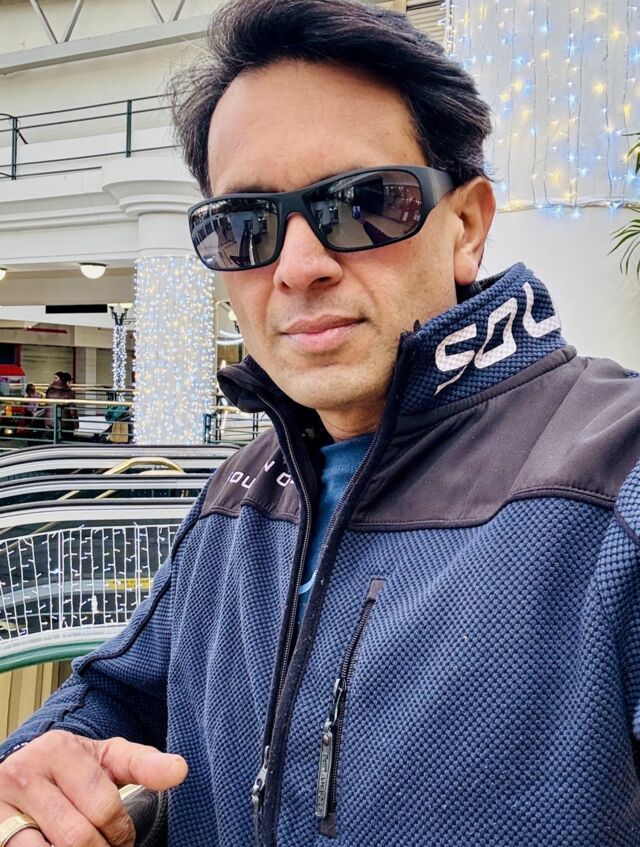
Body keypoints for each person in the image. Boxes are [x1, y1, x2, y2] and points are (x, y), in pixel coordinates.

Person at [1, 1, 640, 845]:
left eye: (364, 201)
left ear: (466, 226)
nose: (298, 267)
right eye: (245, 224)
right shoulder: (242, 492)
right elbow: (117, 689)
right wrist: (48, 759)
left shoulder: (614, 481)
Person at [43, 371, 77, 440]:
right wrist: (76, 424)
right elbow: (73, 411)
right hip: (65, 424)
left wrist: (46, 421)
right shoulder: (69, 393)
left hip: (50, 422)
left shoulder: (49, 391)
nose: (53, 380)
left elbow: (47, 408)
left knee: (52, 439)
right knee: (67, 440)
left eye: (55, 378)